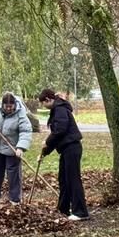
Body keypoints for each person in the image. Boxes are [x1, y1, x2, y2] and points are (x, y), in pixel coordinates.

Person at [39, 88, 88, 220]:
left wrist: (47, 141)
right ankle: (63, 209)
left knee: (73, 179)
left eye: (43, 103)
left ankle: (80, 212)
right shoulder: (57, 109)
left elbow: (60, 130)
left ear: (48, 100)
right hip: (66, 149)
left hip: (72, 148)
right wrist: (44, 152)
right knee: (64, 179)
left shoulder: (60, 109)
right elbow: (57, 137)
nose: (43, 106)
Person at [0, 92, 33, 206]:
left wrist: (21, 147)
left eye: (11, 107)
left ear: (14, 105)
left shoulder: (20, 113)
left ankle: (15, 200)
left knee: (13, 175)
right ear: (3, 105)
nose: (9, 109)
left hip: (13, 149)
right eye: (7, 107)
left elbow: (25, 131)